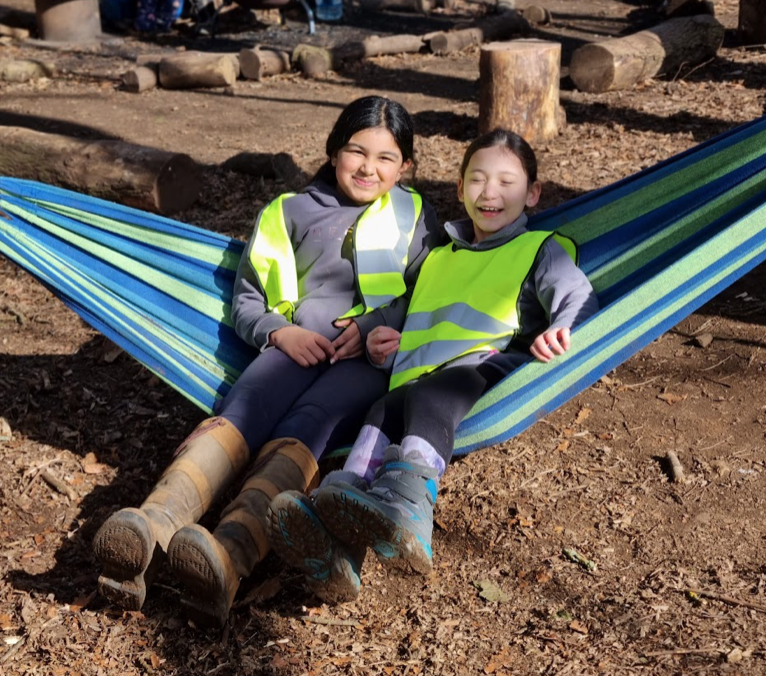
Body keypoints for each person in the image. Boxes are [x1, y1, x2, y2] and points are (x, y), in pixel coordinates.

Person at [92, 95, 443, 627]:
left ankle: (229, 558)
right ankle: (152, 523)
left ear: (406, 167)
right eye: (356, 151)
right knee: (243, 413)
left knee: (309, 426)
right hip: (293, 347)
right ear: (331, 151)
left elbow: (427, 292)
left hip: (362, 362)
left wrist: (373, 329)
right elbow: (248, 300)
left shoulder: (414, 218)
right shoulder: (289, 212)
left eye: (386, 157)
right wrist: (282, 332)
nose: (369, 167)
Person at [267, 128, 600, 601]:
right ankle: (339, 537)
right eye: (478, 180)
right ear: (460, 188)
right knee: (381, 412)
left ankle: (410, 508)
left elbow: (577, 296)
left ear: (533, 193)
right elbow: (428, 317)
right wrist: (390, 344)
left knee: (429, 395)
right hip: (416, 376)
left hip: (482, 371)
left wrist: (559, 326)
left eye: (507, 183)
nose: (491, 193)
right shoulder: (439, 257)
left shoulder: (539, 248)